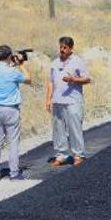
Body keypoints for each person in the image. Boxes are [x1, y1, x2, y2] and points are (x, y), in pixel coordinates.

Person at [45, 36, 91, 167]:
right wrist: (48, 99)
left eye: (65, 47)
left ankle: (78, 155)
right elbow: (50, 81)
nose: (62, 49)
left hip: (73, 101)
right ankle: (61, 155)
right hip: (58, 101)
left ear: (71, 48)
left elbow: (87, 79)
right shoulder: (54, 63)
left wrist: (74, 80)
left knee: (74, 128)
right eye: (61, 47)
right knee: (58, 128)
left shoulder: (78, 62)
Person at [0, 45, 32, 181]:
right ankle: (14, 173)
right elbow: (28, 79)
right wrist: (21, 65)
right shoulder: (13, 72)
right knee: (13, 142)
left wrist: (12, 64)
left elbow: (4, 73)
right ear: (9, 56)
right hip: (11, 109)